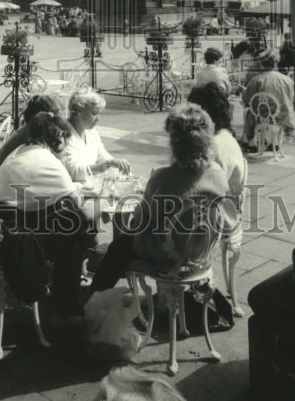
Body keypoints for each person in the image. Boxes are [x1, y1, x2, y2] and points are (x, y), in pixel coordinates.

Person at [88, 105, 230, 292]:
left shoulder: (163, 178)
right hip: (200, 250)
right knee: (126, 243)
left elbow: (141, 221)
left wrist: (139, 208)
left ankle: (96, 293)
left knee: (119, 246)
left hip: (167, 253)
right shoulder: (218, 173)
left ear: (174, 144)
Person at [0, 112, 92, 322]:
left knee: (70, 225)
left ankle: (63, 296)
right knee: (78, 224)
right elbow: (81, 207)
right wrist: (102, 205)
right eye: (65, 140)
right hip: (15, 243)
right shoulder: (48, 161)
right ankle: (66, 305)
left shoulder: (22, 150)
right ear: (57, 138)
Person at [188, 82, 245, 198]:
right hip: (229, 209)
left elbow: (192, 190)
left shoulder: (211, 147)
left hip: (212, 210)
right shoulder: (227, 138)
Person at [61, 88, 131, 182]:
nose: (98, 119)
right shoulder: (64, 135)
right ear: (79, 111)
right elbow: (74, 172)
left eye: (99, 114)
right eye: (94, 113)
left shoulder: (91, 132)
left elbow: (103, 157)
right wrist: (108, 164)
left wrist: (120, 166)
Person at [0, 93, 65, 178]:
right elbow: (57, 173)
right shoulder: (31, 140)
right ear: (45, 120)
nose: (62, 127)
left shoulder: (28, 131)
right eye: (58, 121)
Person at [241, 51, 295, 150]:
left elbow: (246, 99)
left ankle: (251, 142)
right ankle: (276, 142)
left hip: (261, 116)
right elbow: (293, 98)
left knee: (248, 111)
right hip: (283, 116)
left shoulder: (256, 80)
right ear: (276, 63)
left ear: (261, 64)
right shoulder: (287, 80)